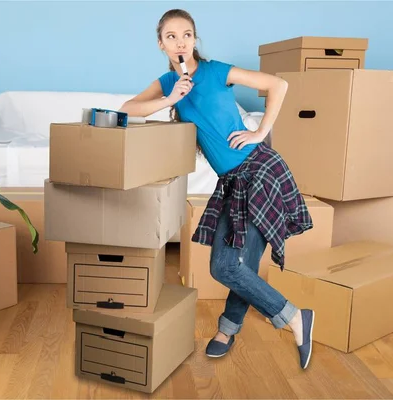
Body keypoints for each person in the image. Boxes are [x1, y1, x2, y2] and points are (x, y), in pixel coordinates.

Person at [119, 8, 315, 370]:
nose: (180, 42)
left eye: (187, 34)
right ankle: (228, 329)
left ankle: (294, 317)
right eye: (172, 36)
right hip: (232, 181)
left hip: (259, 170)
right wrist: (170, 99)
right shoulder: (166, 84)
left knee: (225, 266)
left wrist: (259, 133)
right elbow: (127, 110)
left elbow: (278, 85)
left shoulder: (216, 71)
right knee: (243, 263)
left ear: (195, 40)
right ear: (161, 44)